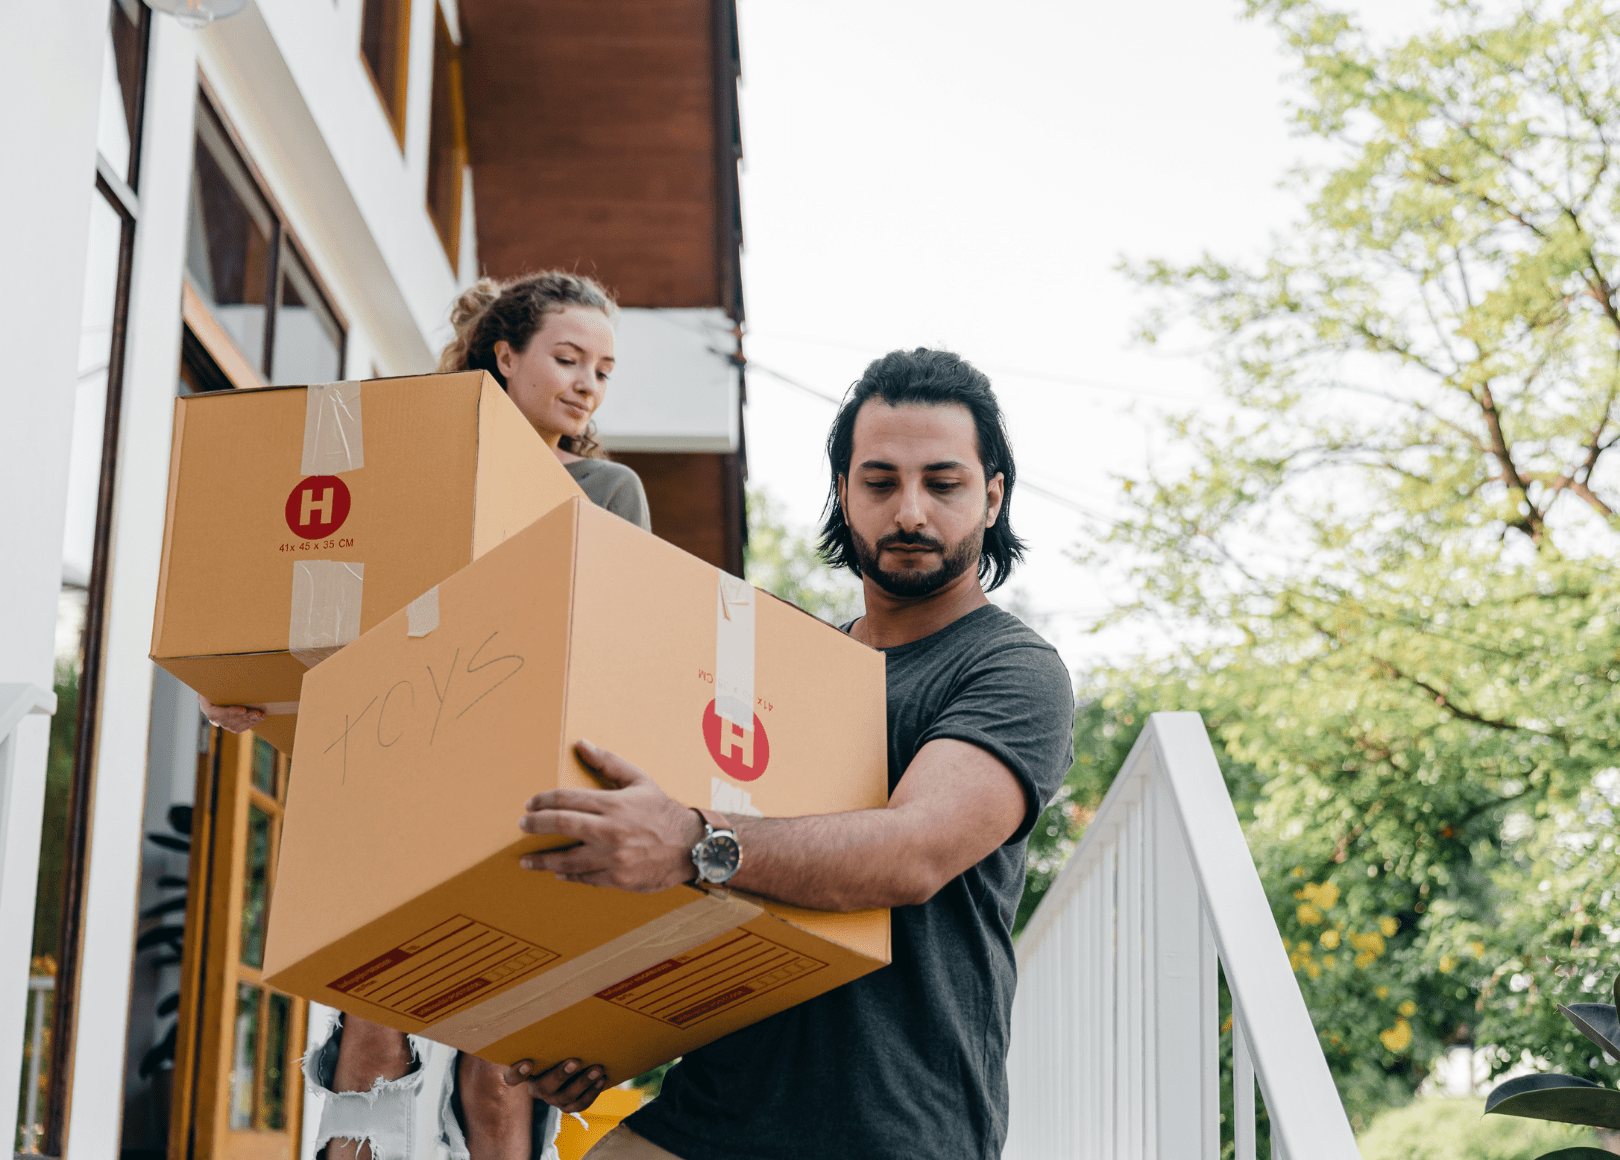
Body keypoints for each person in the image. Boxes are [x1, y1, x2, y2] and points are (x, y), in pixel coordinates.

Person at [506, 347, 1077, 1160]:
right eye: (879, 483)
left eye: (942, 483)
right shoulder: (782, 667)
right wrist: (598, 1026)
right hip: (713, 1100)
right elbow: (680, 868)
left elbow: (911, 853)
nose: (910, 511)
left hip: (890, 1125)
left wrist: (688, 840)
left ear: (991, 497)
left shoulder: (1012, 669)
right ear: (844, 496)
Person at [200, 271, 638, 1160]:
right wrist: (252, 683)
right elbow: (342, 627)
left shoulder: (606, 489)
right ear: (504, 355)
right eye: (567, 357)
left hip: (528, 805)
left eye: (604, 367)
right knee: (371, 1045)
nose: (588, 380)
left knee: (496, 1070)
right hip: (392, 789)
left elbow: (620, 652)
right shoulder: (411, 474)